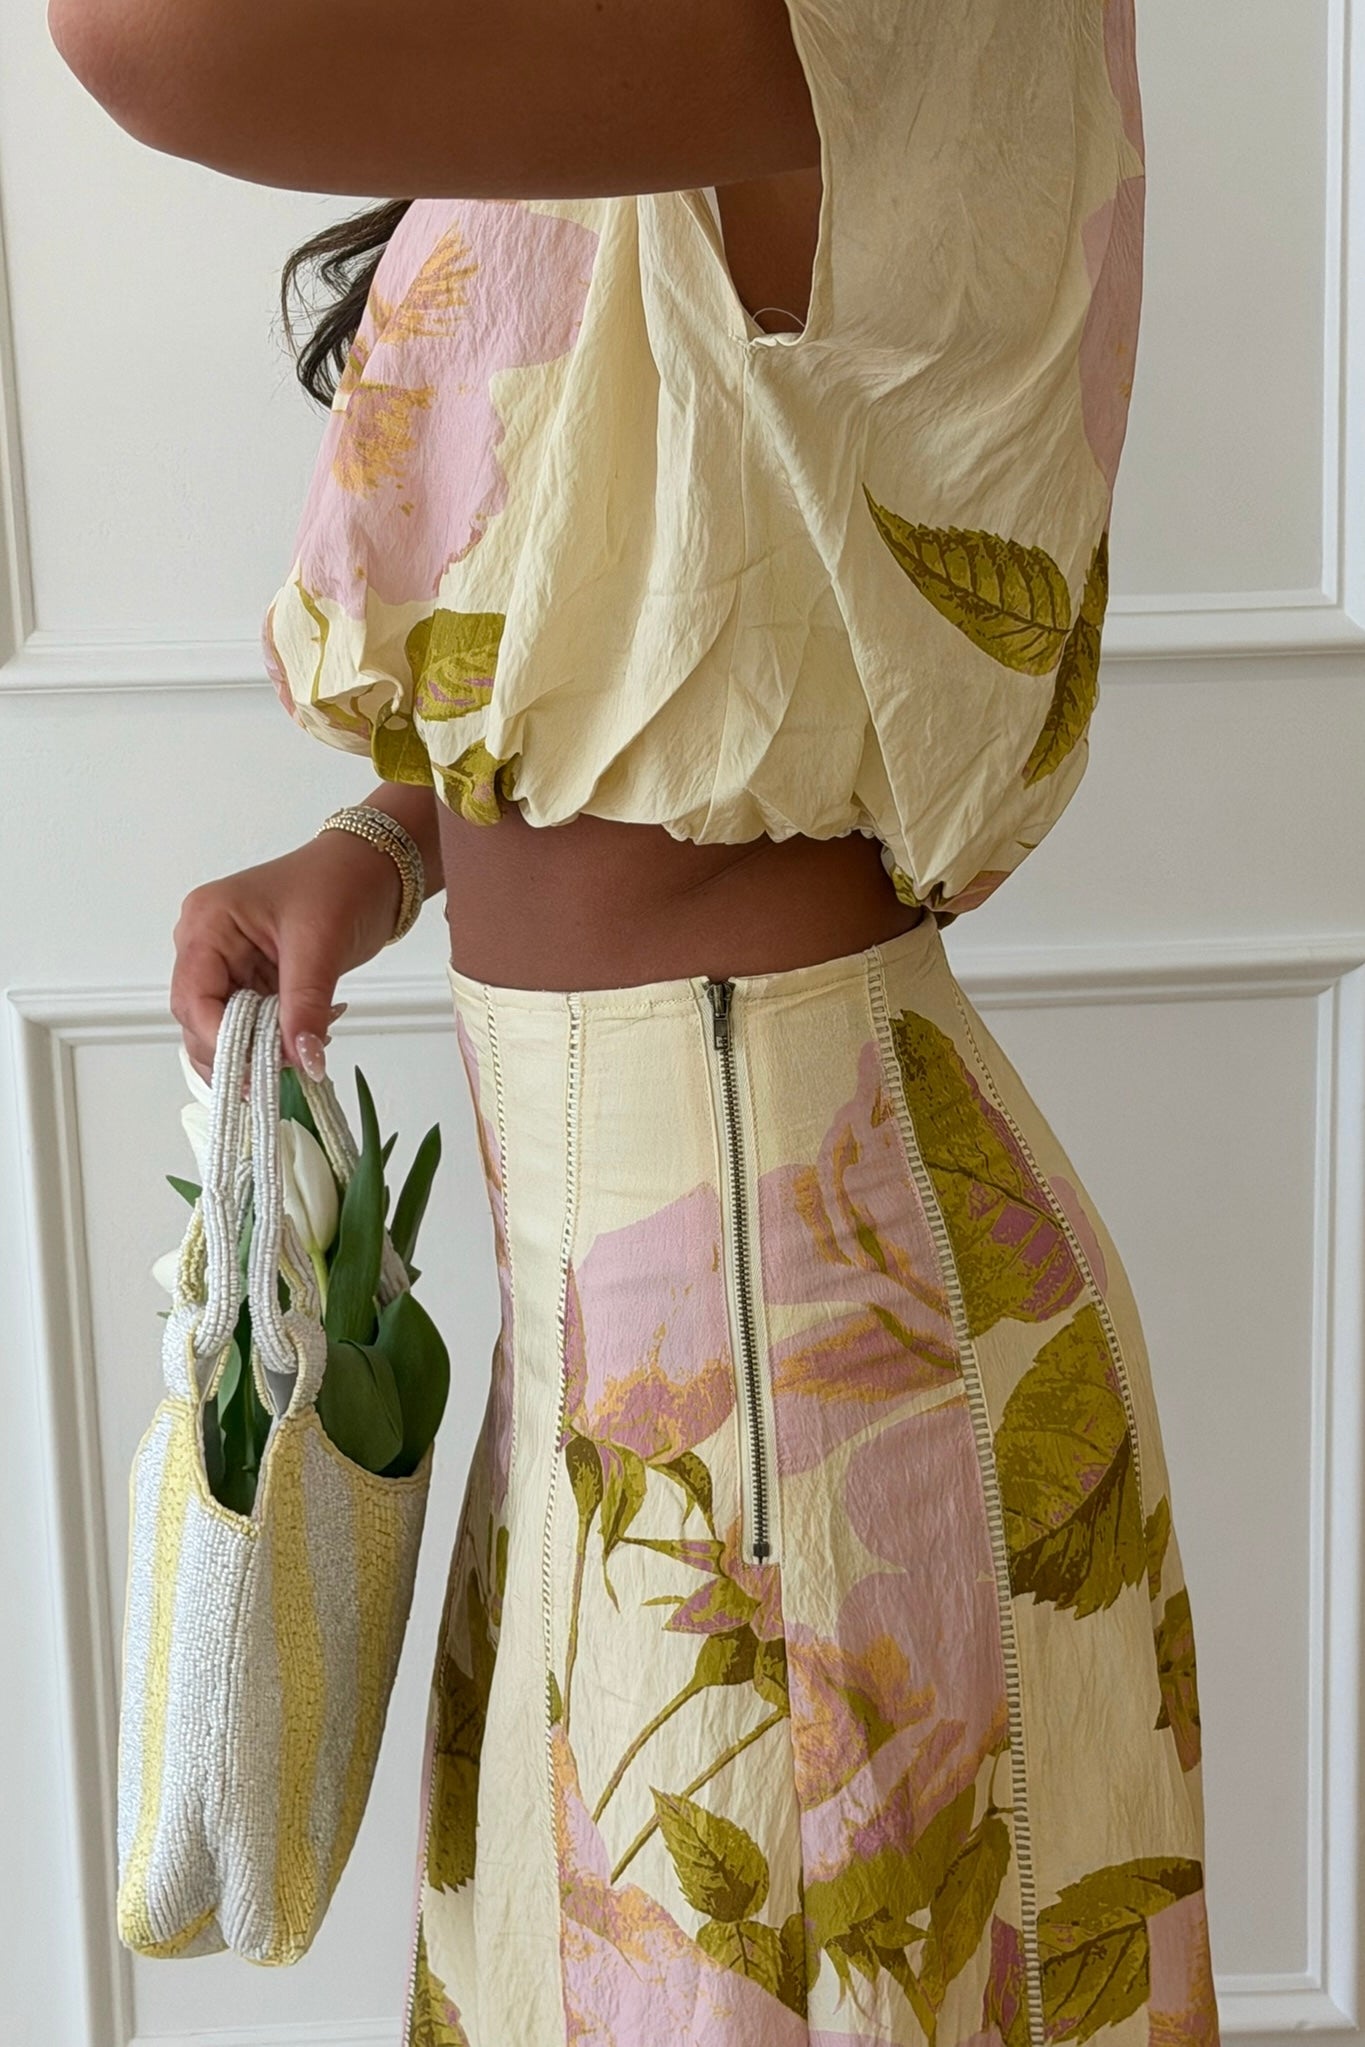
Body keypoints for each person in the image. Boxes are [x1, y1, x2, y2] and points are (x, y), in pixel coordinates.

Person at [52, 0, 1220, 2041]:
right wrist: (382, 846)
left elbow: (136, 39)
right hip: (645, 1350)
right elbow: (682, 570)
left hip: (798, 1366)